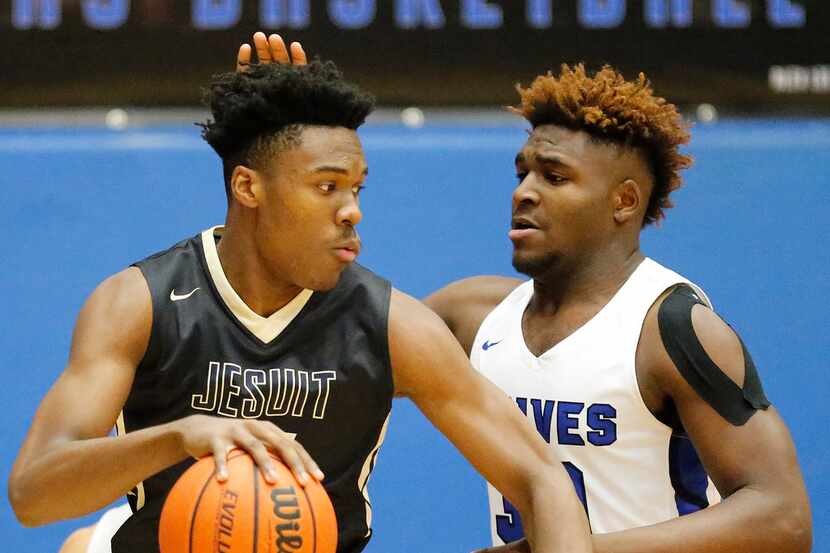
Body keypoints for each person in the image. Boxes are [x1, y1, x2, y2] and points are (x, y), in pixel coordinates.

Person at [8, 36, 592, 553]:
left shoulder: (392, 326)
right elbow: (34, 493)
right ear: (248, 187)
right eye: (326, 186)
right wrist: (179, 436)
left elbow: (541, 480)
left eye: (357, 187)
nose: (352, 210)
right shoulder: (139, 304)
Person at [424, 64, 813, 553]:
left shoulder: (671, 327)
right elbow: (334, 348)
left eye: (554, 176)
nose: (524, 191)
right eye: (523, 172)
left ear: (624, 201)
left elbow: (784, 517)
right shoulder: (472, 315)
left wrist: (571, 549)